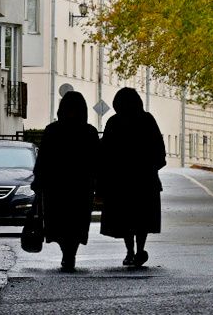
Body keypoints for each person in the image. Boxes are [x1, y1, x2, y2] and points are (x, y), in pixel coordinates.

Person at [31, 90, 99, 272]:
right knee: (77, 221)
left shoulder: (52, 130)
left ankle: (67, 253)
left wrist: (38, 180)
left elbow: (43, 158)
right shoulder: (89, 132)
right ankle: (70, 253)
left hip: (56, 186)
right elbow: (96, 161)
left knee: (59, 221)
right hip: (81, 186)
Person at [99, 87, 166, 268]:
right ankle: (139, 249)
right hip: (145, 180)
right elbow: (159, 149)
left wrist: (106, 176)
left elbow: (105, 152)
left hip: (120, 181)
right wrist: (152, 168)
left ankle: (130, 251)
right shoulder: (147, 120)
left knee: (125, 218)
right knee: (142, 218)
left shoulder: (114, 122)